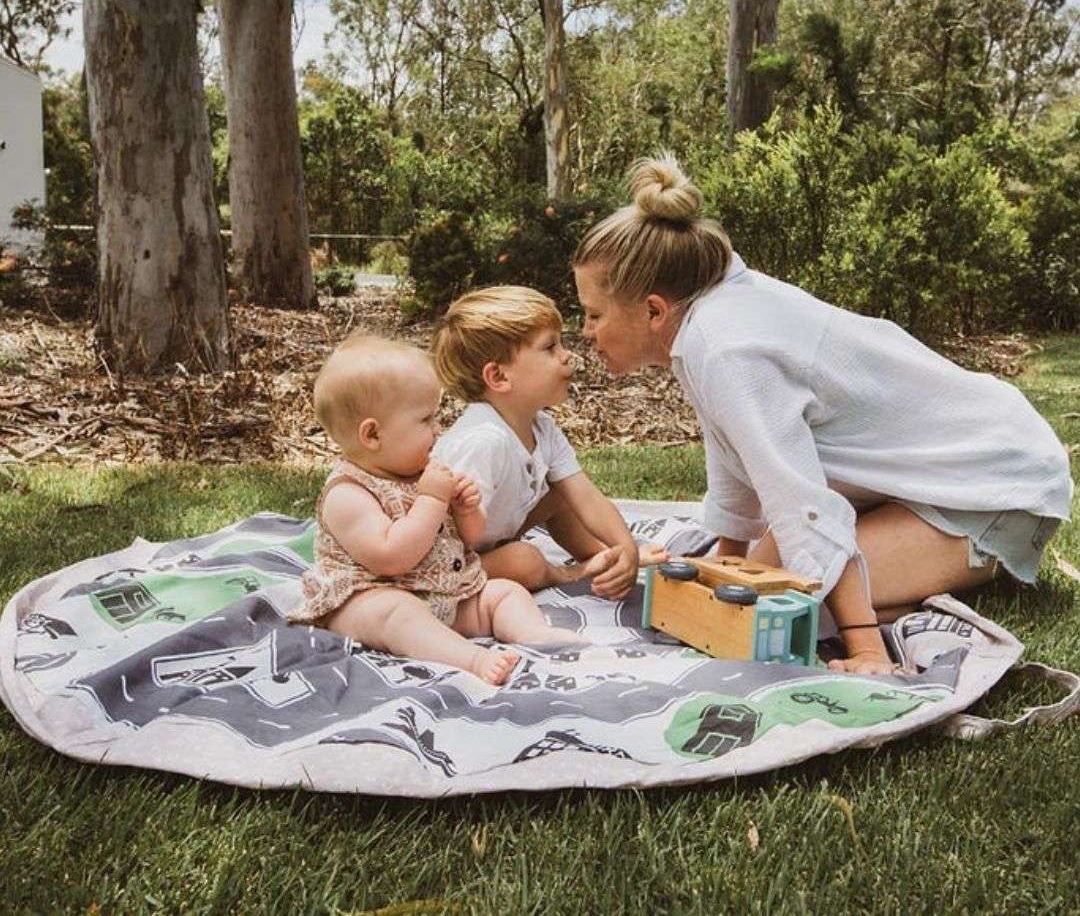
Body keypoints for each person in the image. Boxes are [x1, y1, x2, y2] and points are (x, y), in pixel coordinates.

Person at [572, 154, 1073, 675]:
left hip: (996, 486)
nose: (586, 332)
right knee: (746, 596)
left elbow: (800, 503)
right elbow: (733, 459)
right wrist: (729, 563)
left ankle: (917, 594)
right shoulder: (705, 320)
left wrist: (864, 649)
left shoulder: (727, 348)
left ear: (654, 309)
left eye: (593, 314)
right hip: (926, 472)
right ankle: (901, 583)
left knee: (789, 605)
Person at [287, 334, 582, 686]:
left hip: (442, 593)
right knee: (396, 613)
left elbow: (468, 542)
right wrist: (431, 501)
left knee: (503, 592)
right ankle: (471, 658)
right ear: (372, 435)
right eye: (425, 420)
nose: (438, 430)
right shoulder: (348, 493)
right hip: (370, 598)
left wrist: (467, 510)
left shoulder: (425, 473)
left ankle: (533, 633)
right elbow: (391, 558)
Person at [432, 285, 664, 600]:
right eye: (550, 347)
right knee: (525, 559)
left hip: (493, 541)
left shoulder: (543, 427)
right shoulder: (484, 441)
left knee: (561, 495)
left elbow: (585, 496)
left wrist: (625, 546)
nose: (567, 355)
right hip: (447, 563)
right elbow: (443, 540)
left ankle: (604, 556)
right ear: (498, 377)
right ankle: (569, 573)